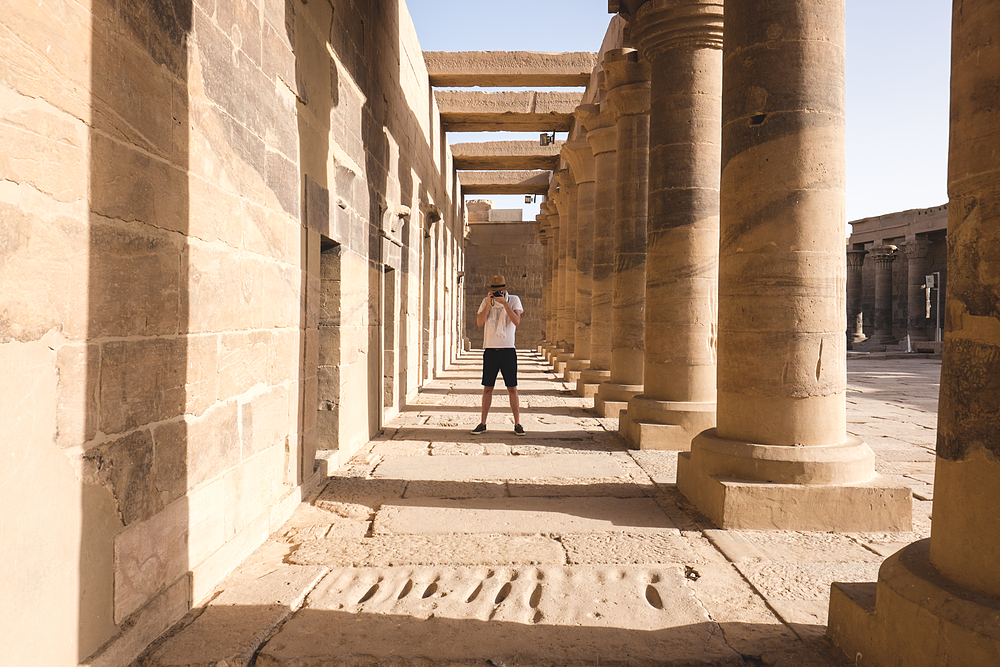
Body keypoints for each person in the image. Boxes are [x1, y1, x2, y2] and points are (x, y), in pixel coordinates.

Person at [471, 275, 525, 435]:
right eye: (494, 291)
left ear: (505, 290)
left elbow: (516, 321)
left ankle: (517, 424)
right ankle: (483, 423)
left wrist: (505, 304)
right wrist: (489, 303)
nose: (497, 293)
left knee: (512, 388)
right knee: (487, 388)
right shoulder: (486, 301)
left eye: (499, 291)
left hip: (508, 350)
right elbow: (479, 322)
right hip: (490, 350)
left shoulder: (514, 300)